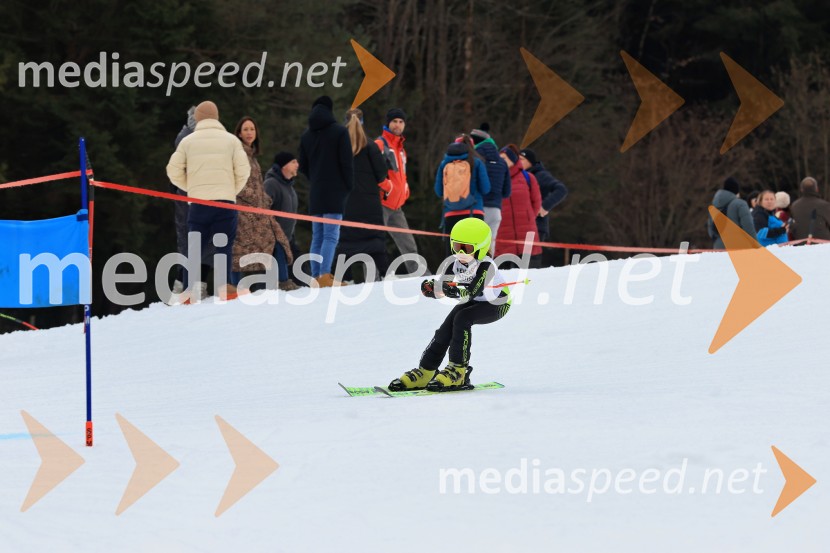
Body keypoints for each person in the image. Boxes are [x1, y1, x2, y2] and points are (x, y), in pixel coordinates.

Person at [388, 217, 510, 392]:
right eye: (456, 246)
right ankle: (426, 371)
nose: (460, 252)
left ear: (481, 247)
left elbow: (472, 292)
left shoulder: (486, 265)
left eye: (466, 248)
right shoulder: (454, 264)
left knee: (462, 318)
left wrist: (452, 291)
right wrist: (432, 289)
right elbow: (442, 287)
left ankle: (458, 371)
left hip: (498, 303)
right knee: (446, 328)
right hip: (475, 300)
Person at [167, 101, 250, 301]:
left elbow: (173, 171)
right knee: (223, 246)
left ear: (197, 118)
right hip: (225, 203)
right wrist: (231, 190)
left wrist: (191, 189)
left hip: (198, 203)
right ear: (217, 116)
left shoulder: (188, 141)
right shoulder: (231, 140)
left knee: (194, 248)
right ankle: (224, 288)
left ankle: (187, 292)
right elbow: (244, 171)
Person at [232, 116, 293, 292]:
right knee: (238, 251)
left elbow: (257, 184)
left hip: (259, 211)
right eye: (245, 129)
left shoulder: (253, 157)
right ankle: (234, 286)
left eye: (252, 129)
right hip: (243, 211)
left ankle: (284, 281)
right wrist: (256, 198)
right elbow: (237, 183)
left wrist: (265, 199)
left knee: (278, 241)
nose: (249, 132)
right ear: (239, 133)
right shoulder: (238, 154)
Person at [299, 96, 354, 287]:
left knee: (318, 235)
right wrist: (347, 186)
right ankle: (324, 275)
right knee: (331, 235)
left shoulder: (306, 136)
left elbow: (303, 166)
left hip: (316, 191)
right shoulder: (339, 132)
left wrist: (315, 180)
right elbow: (346, 163)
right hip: (335, 190)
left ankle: (316, 276)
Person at [337, 108, 390, 282]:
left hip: (346, 201)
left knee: (345, 240)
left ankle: (344, 277)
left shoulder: (338, 146)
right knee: (374, 238)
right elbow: (381, 175)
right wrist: (388, 187)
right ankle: (384, 274)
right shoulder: (371, 145)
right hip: (369, 202)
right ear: (363, 123)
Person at [375, 108, 420, 274]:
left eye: (401, 122)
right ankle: (373, 277)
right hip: (381, 202)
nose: (398, 125)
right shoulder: (380, 144)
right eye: (394, 121)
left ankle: (419, 275)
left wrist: (405, 188)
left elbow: (402, 174)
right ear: (388, 123)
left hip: (397, 205)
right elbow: (372, 172)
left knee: (408, 242)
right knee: (376, 242)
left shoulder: (401, 148)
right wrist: (387, 186)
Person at [434, 134, 491, 252]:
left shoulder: (444, 164)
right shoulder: (477, 162)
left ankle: (451, 270)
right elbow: (486, 189)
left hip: (451, 214)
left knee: (453, 253)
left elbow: (438, 191)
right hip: (473, 212)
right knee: (476, 252)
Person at [495, 145, 542, 265]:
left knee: (528, 277)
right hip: (503, 233)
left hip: (526, 231)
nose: (502, 161)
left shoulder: (528, 178)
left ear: (513, 160)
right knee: (505, 278)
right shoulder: (496, 180)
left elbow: (536, 202)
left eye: (504, 158)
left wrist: (528, 217)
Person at [264, 151, 301, 291]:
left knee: (301, 268)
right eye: (293, 162)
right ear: (284, 166)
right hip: (275, 239)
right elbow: (263, 209)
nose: (297, 165)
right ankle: (283, 283)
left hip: (289, 237)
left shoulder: (290, 187)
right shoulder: (271, 184)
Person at [471, 127, 511, 255]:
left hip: (478, 208)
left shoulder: (474, 159)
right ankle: (487, 271)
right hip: (495, 210)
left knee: (472, 243)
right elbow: (507, 192)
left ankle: (471, 272)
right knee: (489, 243)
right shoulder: (502, 162)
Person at [518, 148, 568, 248]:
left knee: (529, 262)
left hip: (536, 227)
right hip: (519, 227)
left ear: (530, 162)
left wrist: (545, 206)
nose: (518, 162)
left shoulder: (540, 175)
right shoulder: (517, 177)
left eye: (521, 159)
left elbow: (561, 189)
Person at [707, 176, 756, 249]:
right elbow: (748, 227)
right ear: (737, 191)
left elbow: (710, 230)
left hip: (718, 247)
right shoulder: (740, 204)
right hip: (738, 247)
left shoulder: (714, 206)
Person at [790, 177, 830, 241]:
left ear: (801, 189)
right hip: (823, 245)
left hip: (800, 244)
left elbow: (792, 227)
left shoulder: (794, 206)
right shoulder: (824, 205)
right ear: (816, 189)